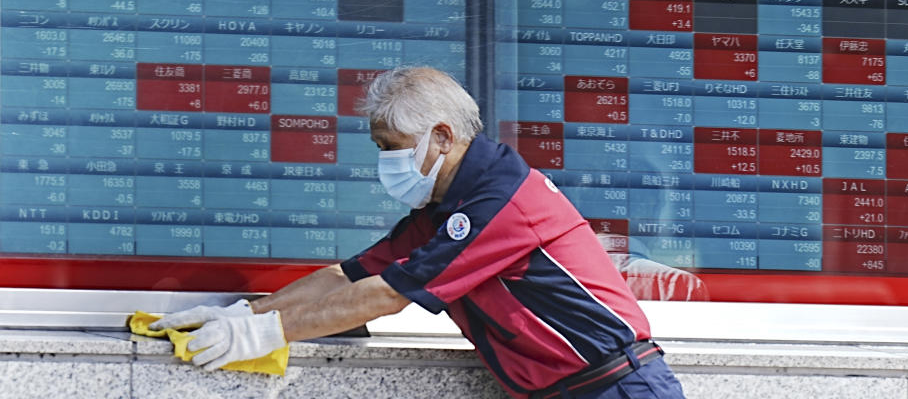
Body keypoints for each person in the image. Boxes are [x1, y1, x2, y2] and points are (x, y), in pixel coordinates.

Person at [150, 66, 687, 398]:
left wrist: (263, 337)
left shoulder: (500, 201)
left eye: (391, 146)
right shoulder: (445, 207)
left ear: (442, 136)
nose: (386, 161)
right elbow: (349, 277)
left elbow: (385, 296)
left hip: (618, 388)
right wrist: (245, 314)